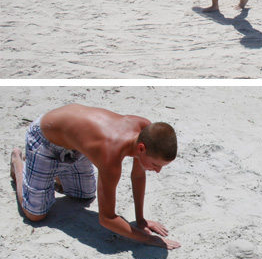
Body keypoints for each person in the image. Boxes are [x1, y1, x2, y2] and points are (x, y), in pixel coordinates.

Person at [10, 104, 180, 250]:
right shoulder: (110, 156)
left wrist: (141, 220)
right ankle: (19, 161)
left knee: (84, 196)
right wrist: (150, 239)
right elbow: (107, 218)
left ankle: (52, 172)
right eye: (156, 165)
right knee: (35, 215)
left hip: (76, 146)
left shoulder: (146, 130)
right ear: (141, 149)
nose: (157, 171)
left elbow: (137, 176)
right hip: (45, 138)